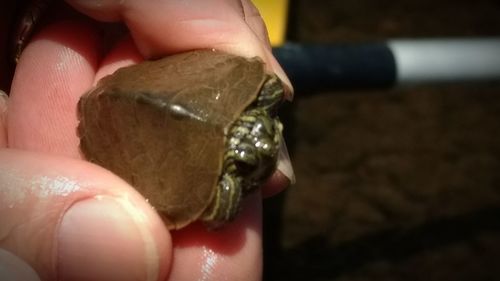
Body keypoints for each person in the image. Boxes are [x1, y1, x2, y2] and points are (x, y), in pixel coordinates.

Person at [0, 0, 294, 280]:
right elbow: (218, 217)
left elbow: (268, 86)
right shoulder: (224, 183)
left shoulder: (257, 96)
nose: (267, 153)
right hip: (122, 110)